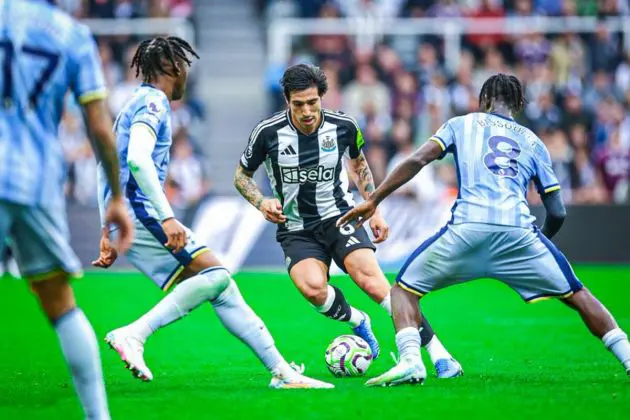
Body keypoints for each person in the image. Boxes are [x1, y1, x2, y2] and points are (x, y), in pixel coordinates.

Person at [338, 74, 630, 386]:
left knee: (403, 290)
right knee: (578, 295)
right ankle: (627, 356)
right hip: (518, 233)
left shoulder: (461, 124)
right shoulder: (533, 141)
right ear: (518, 105)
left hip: (468, 229)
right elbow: (557, 210)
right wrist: (538, 242)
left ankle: (411, 361)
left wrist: (374, 200)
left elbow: (419, 159)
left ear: (483, 101)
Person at [93, 37, 332, 389]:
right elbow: (137, 161)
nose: (188, 74)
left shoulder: (136, 100)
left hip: (129, 213)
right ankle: (134, 334)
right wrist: (167, 216)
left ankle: (283, 372)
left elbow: (107, 163)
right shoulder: (154, 102)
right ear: (174, 68)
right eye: (185, 66)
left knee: (222, 286)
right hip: (142, 212)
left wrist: (106, 226)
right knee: (217, 276)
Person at [234, 64, 462, 378]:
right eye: (298, 104)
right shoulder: (267, 132)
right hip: (296, 227)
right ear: (287, 101)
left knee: (375, 284)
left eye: (312, 102)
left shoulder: (342, 125)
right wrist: (261, 202)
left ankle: (440, 355)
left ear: (321, 98)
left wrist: (375, 210)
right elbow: (241, 176)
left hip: (341, 217)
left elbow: (359, 166)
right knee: (314, 290)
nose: (307, 111)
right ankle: (358, 321)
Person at [0, 1, 134, 418]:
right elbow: (98, 125)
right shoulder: (72, 35)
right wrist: (115, 196)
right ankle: (99, 417)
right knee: (59, 300)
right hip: (36, 178)